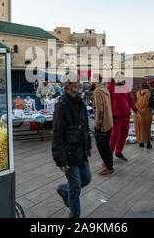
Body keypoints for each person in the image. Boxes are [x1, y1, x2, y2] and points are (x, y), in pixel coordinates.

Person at [52, 72, 91, 218]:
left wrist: (88, 145)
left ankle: (63, 190)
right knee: (75, 188)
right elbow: (56, 134)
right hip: (68, 154)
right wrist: (60, 159)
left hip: (81, 150)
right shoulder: (61, 106)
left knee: (86, 178)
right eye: (77, 81)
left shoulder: (80, 102)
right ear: (68, 86)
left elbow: (85, 126)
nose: (80, 83)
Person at [107, 72, 140, 162]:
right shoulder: (109, 88)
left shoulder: (126, 87)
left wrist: (136, 111)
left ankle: (118, 152)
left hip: (125, 116)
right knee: (115, 136)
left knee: (124, 135)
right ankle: (109, 154)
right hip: (115, 117)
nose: (123, 80)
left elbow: (131, 100)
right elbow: (106, 102)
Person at [91, 74, 114, 175]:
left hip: (103, 124)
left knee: (102, 146)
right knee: (106, 145)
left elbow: (99, 110)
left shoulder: (97, 92)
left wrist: (97, 124)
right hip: (109, 121)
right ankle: (108, 163)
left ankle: (109, 167)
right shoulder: (105, 89)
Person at [134, 82, 154, 149]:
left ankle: (141, 142)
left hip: (137, 113)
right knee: (147, 128)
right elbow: (151, 104)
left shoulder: (137, 93)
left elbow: (133, 102)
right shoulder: (149, 94)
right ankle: (148, 143)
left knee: (139, 127)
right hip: (146, 113)